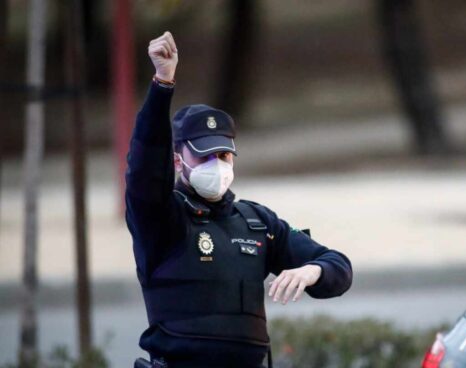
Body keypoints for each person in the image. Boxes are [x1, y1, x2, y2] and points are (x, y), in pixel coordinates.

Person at [126, 31, 353, 368]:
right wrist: (163, 83)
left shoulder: (257, 222)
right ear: (178, 161)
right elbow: (146, 165)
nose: (215, 165)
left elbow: (339, 267)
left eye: (223, 155)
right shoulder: (162, 218)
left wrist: (312, 271)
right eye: (203, 156)